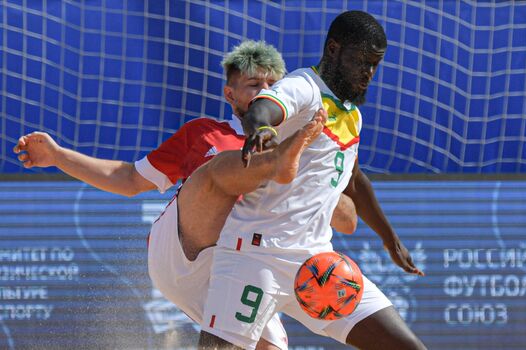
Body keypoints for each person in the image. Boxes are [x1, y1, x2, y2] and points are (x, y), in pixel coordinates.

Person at [13, 40, 356, 350]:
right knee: (221, 175)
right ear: (230, 95)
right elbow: (129, 179)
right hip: (182, 250)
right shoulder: (206, 134)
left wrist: (324, 188)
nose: (265, 91)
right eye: (254, 85)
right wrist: (58, 156)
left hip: (240, 265)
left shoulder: (309, 150)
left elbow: (347, 221)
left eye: (272, 85)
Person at [197, 11, 427, 350]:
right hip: (255, 256)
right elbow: (264, 107)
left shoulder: (352, 115)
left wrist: (389, 239)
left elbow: (354, 180)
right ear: (333, 50)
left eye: (375, 65)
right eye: (361, 61)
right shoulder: (304, 87)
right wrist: (261, 127)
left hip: (317, 262)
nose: (368, 73)